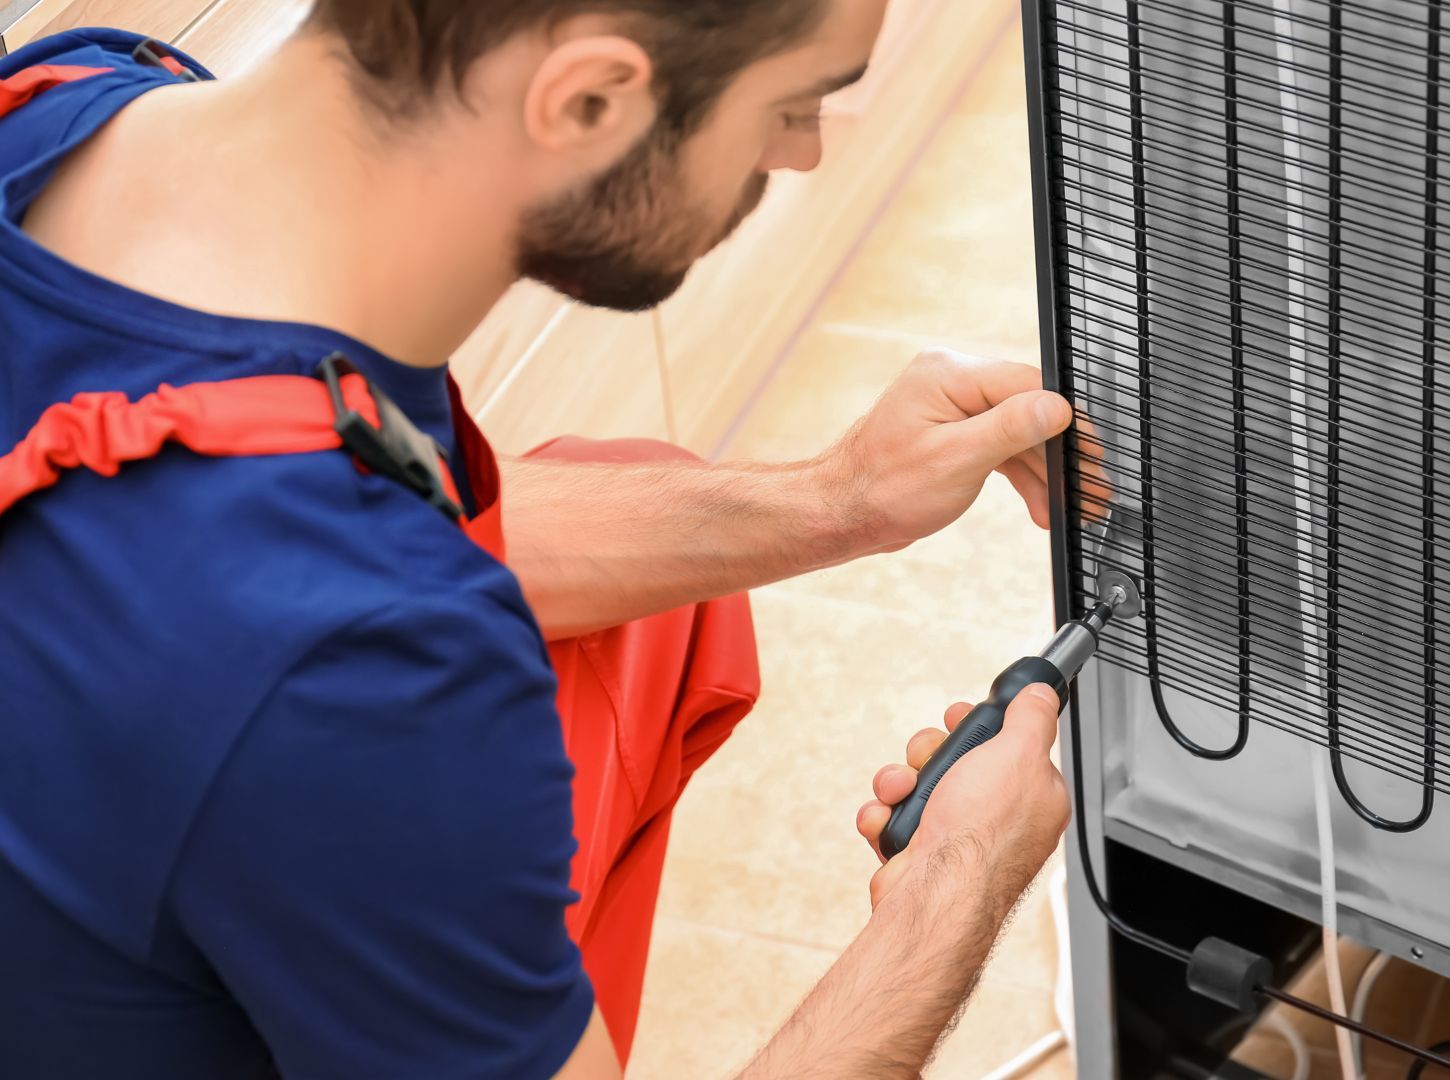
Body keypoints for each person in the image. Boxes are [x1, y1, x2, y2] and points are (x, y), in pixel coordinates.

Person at [0, 2, 1075, 1077]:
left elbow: (307, 515)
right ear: (591, 98)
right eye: (793, 105)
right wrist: (957, 884)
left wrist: (845, 499)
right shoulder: (359, 685)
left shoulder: (64, 111)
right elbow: (329, 627)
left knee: (649, 566)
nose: (800, 152)